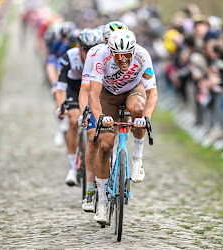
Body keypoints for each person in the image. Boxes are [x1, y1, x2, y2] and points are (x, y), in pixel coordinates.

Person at [89, 29, 158, 222]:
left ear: (133, 51)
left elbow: (152, 93)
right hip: (108, 95)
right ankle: (101, 202)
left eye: (127, 55)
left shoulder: (143, 55)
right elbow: (93, 95)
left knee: (138, 109)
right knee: (104, 145)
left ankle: (137, 158)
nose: (123, 60)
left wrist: (145, 118)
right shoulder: (101, 56)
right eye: (118, 56)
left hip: (132, 91)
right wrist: (100, 117)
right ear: (111, 51)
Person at [78, 21, 128, 212]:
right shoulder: (95, 54)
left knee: (118, 134)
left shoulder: (131, 55)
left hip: (120, 98)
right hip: (99, 97)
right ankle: (91, 191)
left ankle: (119, 169)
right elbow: (85, 89)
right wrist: (85, 111)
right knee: (94, 139)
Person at [55, 28, 101, 186]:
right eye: (86, 49)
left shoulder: (101, 58)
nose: (89, 53)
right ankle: (72, 167)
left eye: (92, 49)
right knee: (74, 121)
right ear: (79, 48)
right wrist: (60, 107)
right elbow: (60, 86)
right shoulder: (70, 57)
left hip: (93, 89)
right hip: (74, 89)